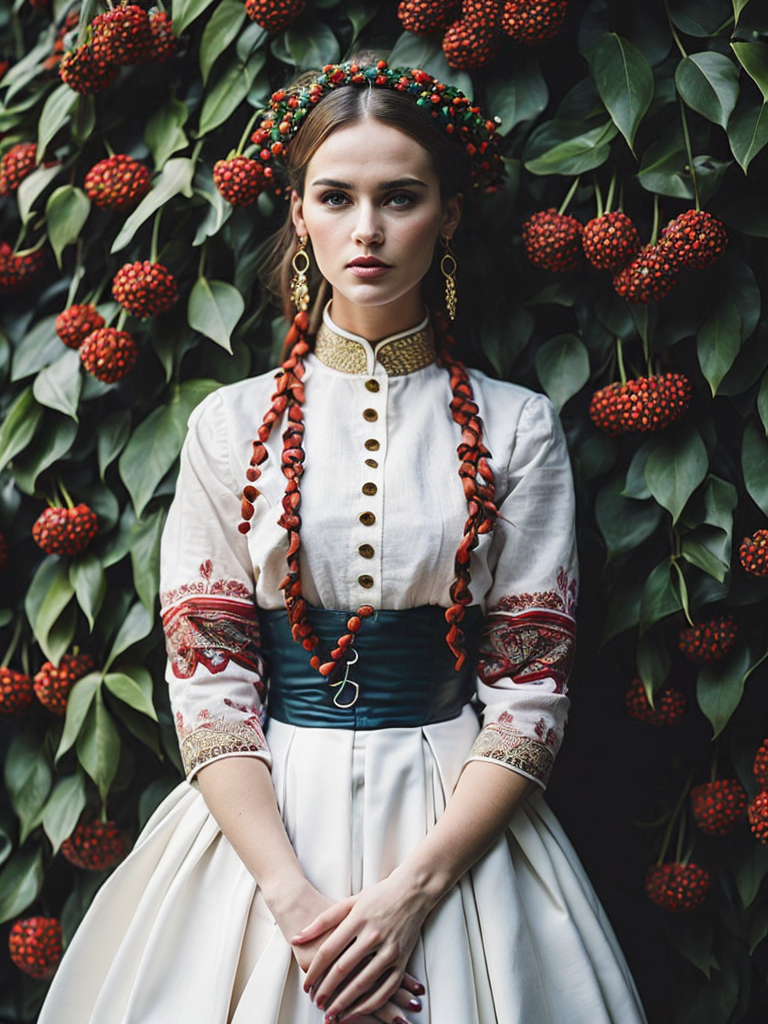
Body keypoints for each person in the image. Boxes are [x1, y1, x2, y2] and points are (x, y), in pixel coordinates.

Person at [39, 61, 648, 1024]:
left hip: (456, 821)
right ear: (298, 210)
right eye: (337, 196)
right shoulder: (228, 428)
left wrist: (411, 897)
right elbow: (209, 679)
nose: (366, 230)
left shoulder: (519, 425)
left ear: (448, 216)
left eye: (400, 197)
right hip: (264, 827)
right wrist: (293, 903)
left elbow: (531, 687)